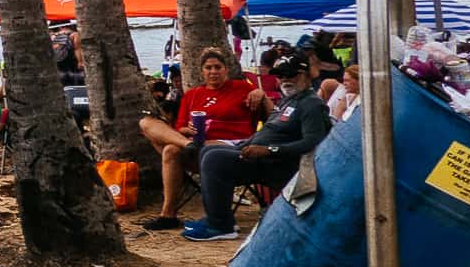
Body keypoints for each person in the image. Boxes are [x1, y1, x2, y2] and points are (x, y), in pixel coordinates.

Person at [182, 51, 330, 242]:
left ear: (305, 75)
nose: (285, 80)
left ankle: (220, 227)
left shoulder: (311, 104)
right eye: (281, 76)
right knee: (208, 150)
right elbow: (269, 130)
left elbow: (312, 142)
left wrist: (269, 150)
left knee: (214, 159)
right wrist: (246, 145)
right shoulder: (289, 100)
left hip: (280, 164)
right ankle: (220, 218)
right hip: (258, 154)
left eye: (291, 75)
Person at [136, 46, 255, 229]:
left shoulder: (243, 89)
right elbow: (179, 128)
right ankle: (168, 216)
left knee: (170, 149)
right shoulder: (192, 95)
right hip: (196, 147)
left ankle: (168, 214)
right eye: (208, 68)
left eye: (217, 67)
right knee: (148, 125)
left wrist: (260, 94)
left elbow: (270, 117)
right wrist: (188, 131)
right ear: (202, 71)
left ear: (226, 69)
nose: (213, 72)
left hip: (229, 149)